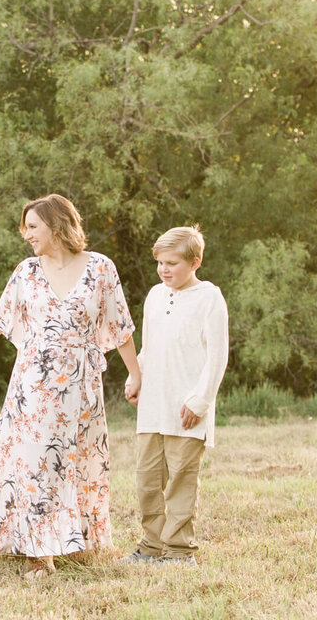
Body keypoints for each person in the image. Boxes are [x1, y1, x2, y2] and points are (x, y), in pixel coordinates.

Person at [0, 194, 141, 579]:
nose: (26, 234)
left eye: (32, 226)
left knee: (79, 461)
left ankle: (77, 540)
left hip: (82, 386)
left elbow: (121, 328)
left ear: (57, 224)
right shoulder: (26, 272)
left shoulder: (101, 268)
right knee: (36, 462)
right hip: (34, 383)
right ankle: (39, 551)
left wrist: (135, 374)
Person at [123, 225, 228, 565]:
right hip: (153, 405)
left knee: (182, 481)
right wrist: (135, 375)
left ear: (195, 261)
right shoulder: (155, 295)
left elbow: (217, 356)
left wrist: (200, 401)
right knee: (147, 481)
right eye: (160, 263)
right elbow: (150, 346)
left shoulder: (209, 297)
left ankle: (180, 552)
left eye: (172, 263)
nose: (164, 270)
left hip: (187, 408)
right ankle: (151, 547)